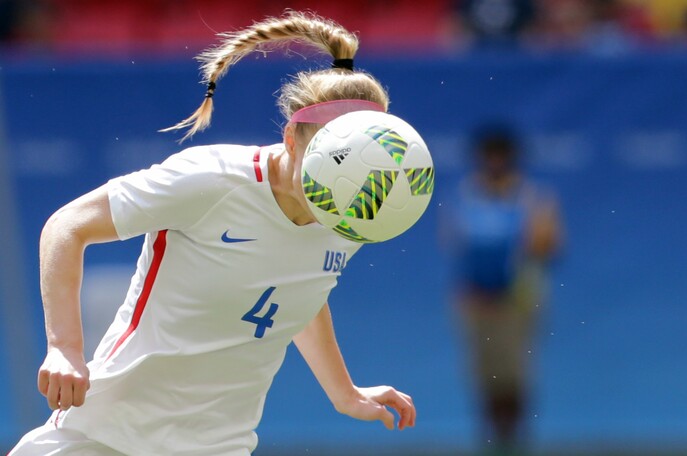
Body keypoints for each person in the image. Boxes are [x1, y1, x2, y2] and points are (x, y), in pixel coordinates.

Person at [10, 11, 416, 456]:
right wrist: (65, 349)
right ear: (291, 139)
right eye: (334, 161)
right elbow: (67, 226)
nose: (344, 189)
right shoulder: (211, 179)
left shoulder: (356, 214)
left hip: (219, 446)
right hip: (104, 434)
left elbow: (300, 290)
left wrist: (344, 392)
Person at [443, 124, 562, 454]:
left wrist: (534, 239)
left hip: (517, 302)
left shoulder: (534, 198)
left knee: (515, 375)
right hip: (476, 301)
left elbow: (551, 248)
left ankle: (515, 442)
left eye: (501, 156)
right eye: (488, 156)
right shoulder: (465, 195)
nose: (495, 163)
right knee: (484, 375)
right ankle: (491, 442)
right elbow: (453, 244)